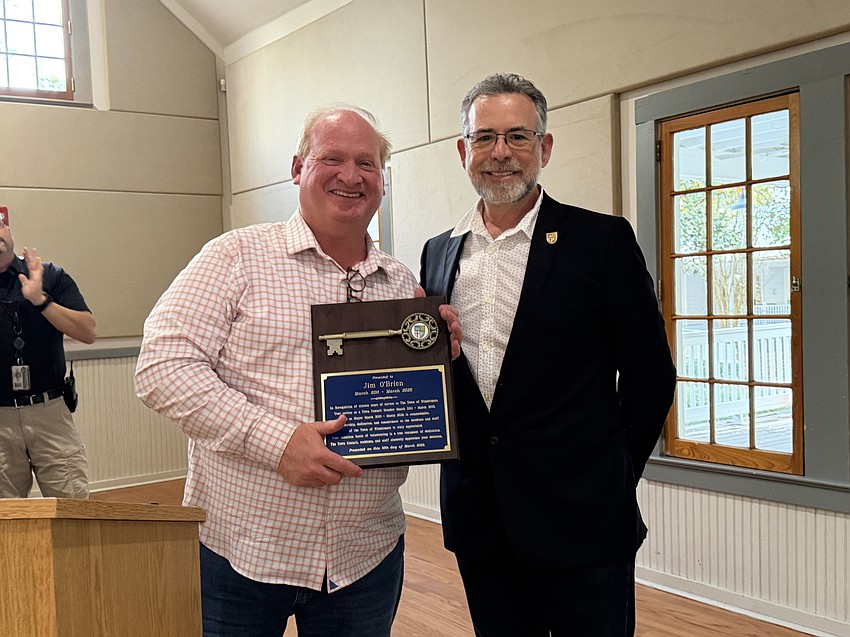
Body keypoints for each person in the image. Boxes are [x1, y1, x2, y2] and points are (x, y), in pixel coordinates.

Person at [135, 105, 460, 637]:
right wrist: (275, 441)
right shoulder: (235, 256)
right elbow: (162, 367)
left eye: (367, 163)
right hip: (243, 552)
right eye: (331, 157)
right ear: (297, 167)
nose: (351, 176)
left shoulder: (402, 284)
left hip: (366, 555)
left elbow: (408, 396)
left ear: (382, 179)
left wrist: (439, 357)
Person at [419, 73, 676, 636]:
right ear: (463, 151)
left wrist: (613, 474)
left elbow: (650, 375)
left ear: (545, 147)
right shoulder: (438, 253)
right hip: (480, 514)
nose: (501, 153)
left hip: (583, 512)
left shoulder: (601, 241)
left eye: (518, 136)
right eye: (484, 138)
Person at [0, 206, 96, 499]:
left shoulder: (49, 276)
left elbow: (87, 332)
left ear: (9, 230)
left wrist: (40, 300)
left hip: (50, 411)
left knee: (73, 509)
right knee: (6, 520)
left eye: (0, 225)